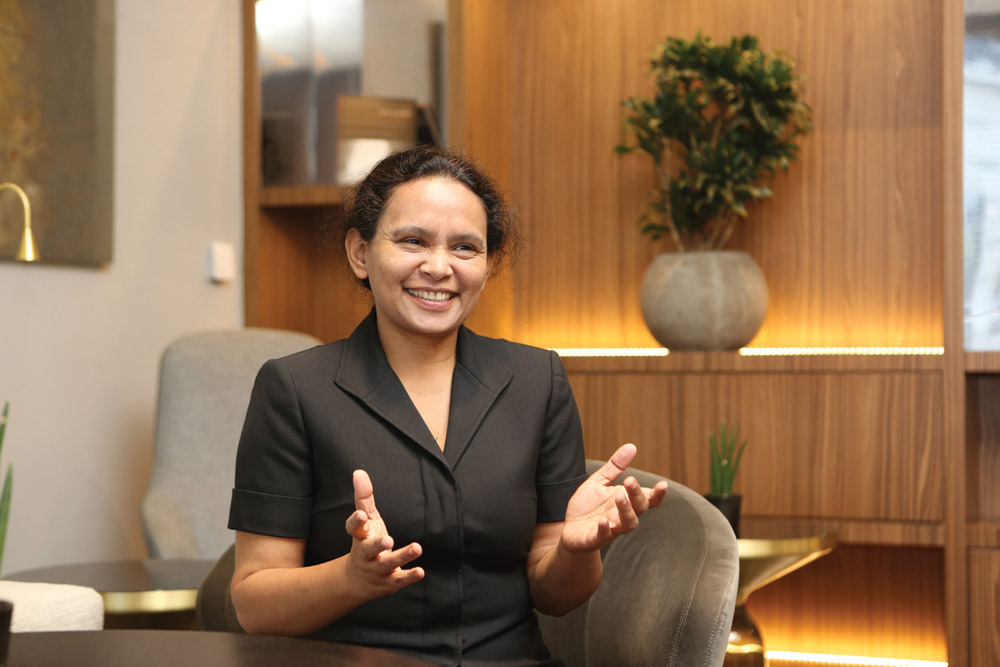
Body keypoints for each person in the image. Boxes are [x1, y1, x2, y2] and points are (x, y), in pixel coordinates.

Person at [227, 146, 669, 667]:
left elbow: (557, 595)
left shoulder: (538, 380)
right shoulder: (295, 388)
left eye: (465, 247)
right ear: (360, 253)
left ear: (488, 264)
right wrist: (350, 578)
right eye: (413, 241)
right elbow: (254, 604)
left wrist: (575, 551)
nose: (438, 267)